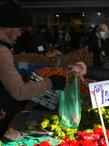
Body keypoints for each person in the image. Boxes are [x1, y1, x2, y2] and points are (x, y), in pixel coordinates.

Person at [0, 1, 67, 137]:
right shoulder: (2, 52)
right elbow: (19, 91)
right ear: (7, 27)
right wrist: (51, 82)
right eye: (18, 29)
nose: (20, 34)